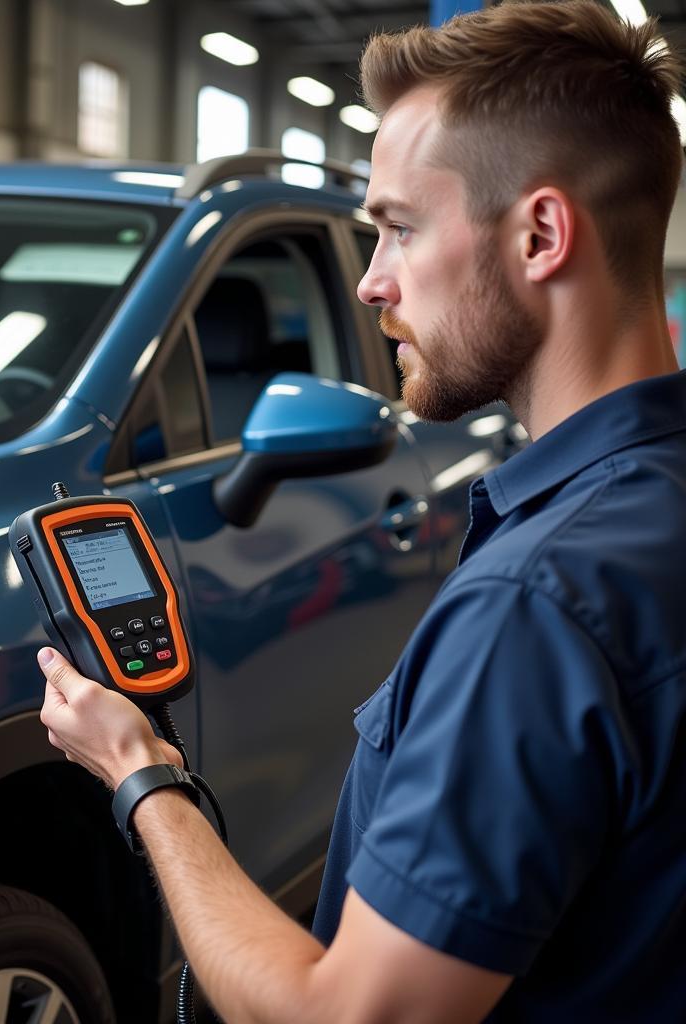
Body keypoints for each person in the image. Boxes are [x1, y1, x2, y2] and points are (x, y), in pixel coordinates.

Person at [38, 1, 686, 1019]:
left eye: (396, 229)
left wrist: (141, 773)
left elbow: (351, 1014)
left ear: (541, 234)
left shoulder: (537, 607)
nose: (371, 285)